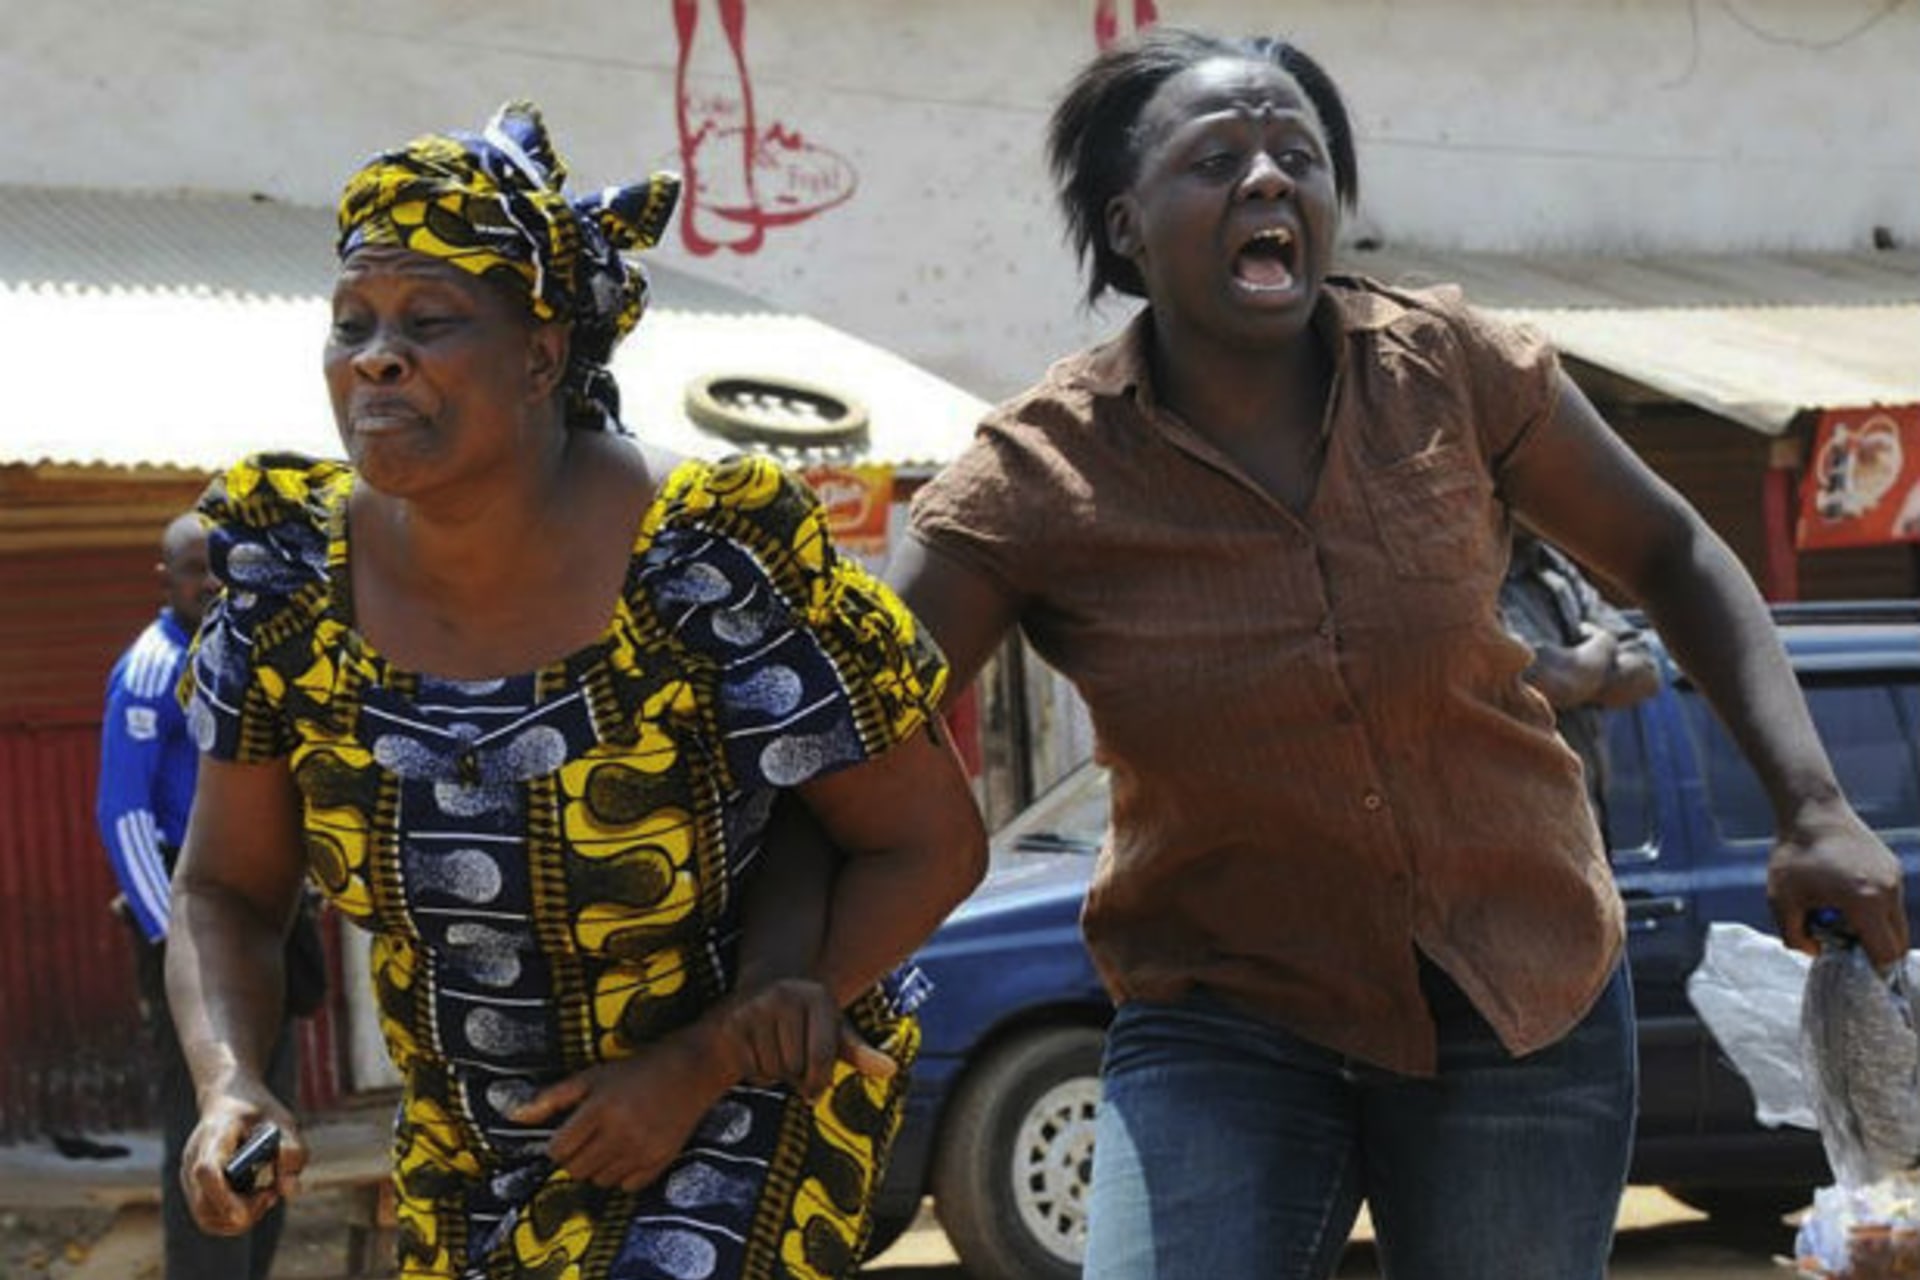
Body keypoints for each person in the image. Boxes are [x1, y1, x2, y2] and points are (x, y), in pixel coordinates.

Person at [890, 27, 1905, 1280]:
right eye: (1216, 160)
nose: (1268, 179)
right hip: (1224, 1013)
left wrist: (1814, 804)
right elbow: (856, 722)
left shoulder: (1455, 370)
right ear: (1124, 227)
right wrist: (771, 977)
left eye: (1297, 156)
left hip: (1520, 994)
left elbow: (1674, 551)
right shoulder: (1036, 475)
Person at [165, 101, 986, 1280]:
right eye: (353, 324)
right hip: (466, 1142)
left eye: (429, 321)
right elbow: (225, 889)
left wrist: (701, 1059)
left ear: (543, 353)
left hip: (731, 1106)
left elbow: (928, 842)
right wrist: (233, 1079)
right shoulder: (291, 577)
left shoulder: (703, 557)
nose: (376, 356)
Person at [95, 512, 316, 1280]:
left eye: (225, 566)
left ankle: (250, 1265)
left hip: (264, 921)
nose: (214, 583)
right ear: (166, 581)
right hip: (193, 930)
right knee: (208, 1121)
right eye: (196, 570)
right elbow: (122, 814)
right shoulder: (153, 668)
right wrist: (174, 938)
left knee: (265, 1110)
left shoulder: (247, 658)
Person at [1498, 528, 1660, 833]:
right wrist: (1604, 645)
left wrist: (1576, 678)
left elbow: (1645, 671)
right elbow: (1552, 680)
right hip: (1517, 833)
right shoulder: (1470, 577)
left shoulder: (1551, 564)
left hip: (1587, 828)